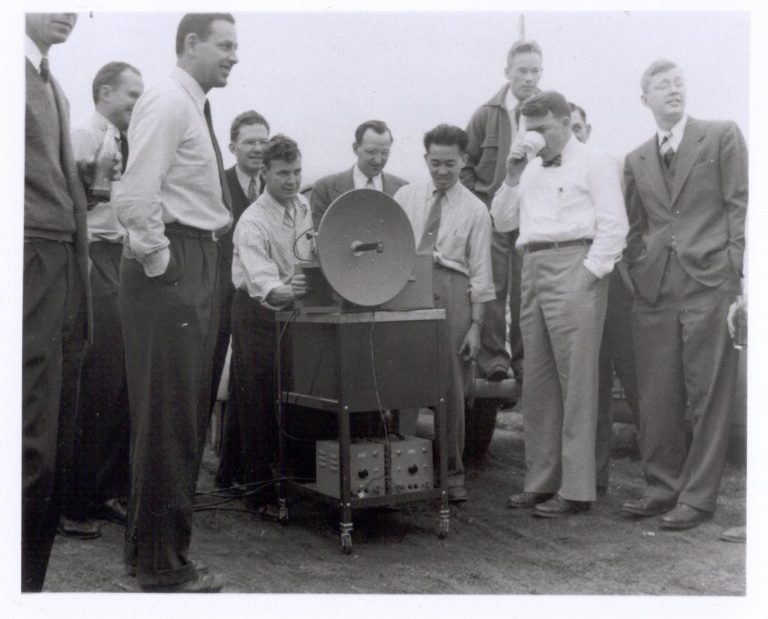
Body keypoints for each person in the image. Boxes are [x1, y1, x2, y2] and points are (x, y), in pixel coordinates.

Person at [112, 13, 238, 592]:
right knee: (169, 418)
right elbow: (136, 195)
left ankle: (154, 555)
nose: (234, 56)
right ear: (191, 44)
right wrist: (164, 264)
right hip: (175, 262)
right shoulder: (167, 101)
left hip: (197, 257)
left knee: (180, 416)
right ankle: (163, 566)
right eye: (224, 45)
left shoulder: (192, 104)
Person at [620, 60, 747, 530]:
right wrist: (639, 269)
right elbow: (636, 228)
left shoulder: (721, 135)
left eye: (678, 83)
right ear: (645, 99)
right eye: (661, 85)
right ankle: (662, 488)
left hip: (709, 283)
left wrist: (736, 273)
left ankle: (697, 498)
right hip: (654, 289)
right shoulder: (635, 159)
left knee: (707, 393)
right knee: (655, 394)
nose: (673, 90)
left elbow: (741, 204)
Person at [493, 91, 628, 517]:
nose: (535, 138)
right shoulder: (528, 169)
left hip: (575, 264)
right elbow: (502, 220)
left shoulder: (596, 161)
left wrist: (588, 274)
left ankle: (577, 489)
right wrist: (512, 175)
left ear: (567, 122)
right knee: (538, 381)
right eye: (528, 130)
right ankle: (541, 481)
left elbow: (614, 226)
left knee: (578, 382)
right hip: (532, 267)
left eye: (543, 129)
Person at [58, 61, 144, 540]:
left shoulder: (122, 138)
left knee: (118, 382)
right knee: (96, 381)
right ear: (105, 92)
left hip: (122, 258)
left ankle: (101, 489)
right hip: (95, 257)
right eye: (131, 94)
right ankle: (73, 502)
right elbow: (72, 204)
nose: (138, 103)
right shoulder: (85, 136)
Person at [23, 12, 90, 592]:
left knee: (47, 444)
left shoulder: (48, 78)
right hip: (30, 258)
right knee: (29, 447)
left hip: (61, 264)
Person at [394, 124, 495, 503]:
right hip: (409, 288)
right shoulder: (406, 196)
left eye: (450, 164)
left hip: (453, 292)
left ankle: (452, 473)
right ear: (425, 159)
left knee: (451, 387)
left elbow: (482, 274)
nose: (442, 171)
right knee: (401, 379)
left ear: (463, 161)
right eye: (435, 163)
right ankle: (402, 469)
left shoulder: (475, 209)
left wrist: (475, 326)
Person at [229, 135, 312, 514]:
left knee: (293, 397)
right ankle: (259, 495)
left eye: (296, 172)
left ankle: (293, 484)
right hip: (257, 313)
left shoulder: (304, 205)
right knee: (258, 401)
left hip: (291, 315)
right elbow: (266, 287)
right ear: (264, 173)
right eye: (282, 174)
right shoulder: (252, 221)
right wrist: (288, 289)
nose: (291, 181)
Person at [568, 101, 640, 495]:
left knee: (636, 380)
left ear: (587, 129)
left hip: (618, 286)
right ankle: (593, 479)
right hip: (580, 287)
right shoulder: (558, 174)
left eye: (579, 128)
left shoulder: (609, 165)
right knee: (590, 384)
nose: (574, 135)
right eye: (569, 129)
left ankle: (664, 481)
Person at [461, 39, 544, 383]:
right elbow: (466, 164)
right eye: (522, 70)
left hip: (533, 217)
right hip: (493, 216)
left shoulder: (546, 114)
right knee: (493, 286)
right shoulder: (485, 114)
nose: (528, 78)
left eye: (535, 70)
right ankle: (494, 357)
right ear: (507, 71)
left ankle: (525, 359)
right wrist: (481, 205)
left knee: (527, 286)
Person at [212, 110, 270, 491]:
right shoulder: (218, 183)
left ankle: (233, 470)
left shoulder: (275, 186)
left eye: (263, 141)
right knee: (209, 376)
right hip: (218, 294)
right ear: (232, 146)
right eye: (249, 141)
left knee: (249, 383)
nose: (257, 149)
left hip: (256, 300)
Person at [310, 120, 408, 228]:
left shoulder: (404, 190)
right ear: (355, 148)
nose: (378, 160)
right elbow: (317, 236)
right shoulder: (325, 188)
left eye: (385, 152)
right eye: (371, 151)